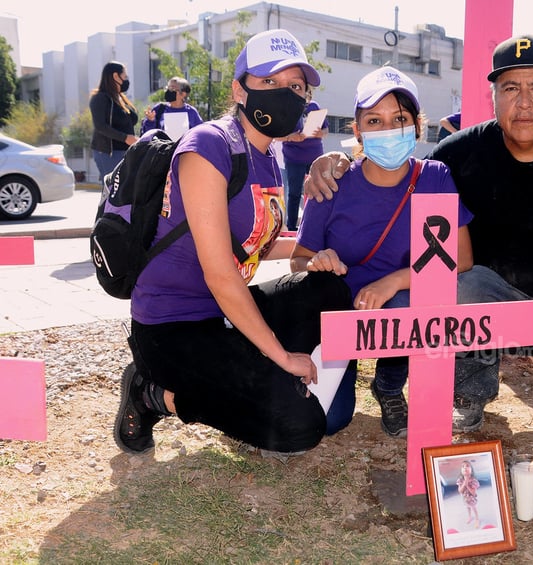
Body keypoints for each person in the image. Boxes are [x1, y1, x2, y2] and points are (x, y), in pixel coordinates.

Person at [305, 35, 533, 434]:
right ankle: (469, 391)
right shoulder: (459, 153)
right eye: (510, 89)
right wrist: (338, 161)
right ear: (494, 98)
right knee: (450, 285)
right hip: (492, 305)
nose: (524, 102)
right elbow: (399, 173)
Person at [113, 29, 351, 456]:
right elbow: (222, 274)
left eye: (296, 86)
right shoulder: (209, 146)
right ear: (239, 89)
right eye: (270, 82)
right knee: (300, 429)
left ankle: (249, 384)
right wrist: (282, 357)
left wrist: (311, 255)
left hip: (224, 312)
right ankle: (152, 394)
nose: (286, 94)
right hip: (173, 324)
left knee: (328, 287)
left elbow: (257, 242)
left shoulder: (271, 155)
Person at [290, 66, 474, 438]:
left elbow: (462, 257)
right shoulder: (333, 182)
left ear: (417, 127)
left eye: (400, 119)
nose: (388, 130)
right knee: (328, 421)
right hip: (337, 314)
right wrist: (317, 262)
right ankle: (346, 370)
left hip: (397, 310)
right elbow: (298, 259)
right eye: (375, 120)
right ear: (357, 131)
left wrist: (395, 281)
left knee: (408, 304)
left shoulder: (435, 177)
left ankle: (389, 385)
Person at [278, 88, 329, 231]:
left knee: (318, 190)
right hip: (294, 158)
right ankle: (292, 226)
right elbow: (275, 135)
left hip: (315, 156)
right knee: (294, 193)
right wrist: (291, 137)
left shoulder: (314, 106)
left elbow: (326, 130)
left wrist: (320, 133)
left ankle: (316, 224)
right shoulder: (285, 108)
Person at [89, 61, 138, 181]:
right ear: (116, 76)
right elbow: (100, 126)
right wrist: (125, 138)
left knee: (124, 192)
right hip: (109, 153)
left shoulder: (120, 97)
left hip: (124, 152)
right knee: (113, 191)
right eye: (125, 76)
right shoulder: (100, 98)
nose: (126, 80)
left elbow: (130, 120)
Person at [456, 460, 480, 528]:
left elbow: (473, 493)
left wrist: (467, 485)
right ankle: (470, 517)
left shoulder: (474, 481)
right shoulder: (460, 480)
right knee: (467, 507)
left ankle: (477, 518)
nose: (465, 468)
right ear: (461, 471)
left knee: (473, 507)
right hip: (464, 499)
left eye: (467, 466)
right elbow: (460, 491)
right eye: (463, 467)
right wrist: (464, 483)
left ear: (471, 471)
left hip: (471, 499)